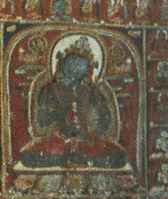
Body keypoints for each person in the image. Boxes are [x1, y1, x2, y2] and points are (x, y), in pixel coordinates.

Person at [16, 34, 129, 170]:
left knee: (119, 155)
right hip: (59, 140)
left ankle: (80, 158)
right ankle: (71, 157)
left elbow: (105, 122)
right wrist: (60, 118)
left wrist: (91, 122)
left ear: (88, 69)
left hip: (88, 142)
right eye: (70, 66)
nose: (74, 71)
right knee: (28, 156)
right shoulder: (50, 89)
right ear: (61, 66)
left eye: (80, 67)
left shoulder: (94, 91)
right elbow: (41, 123)